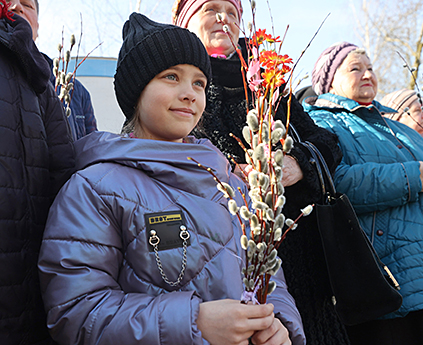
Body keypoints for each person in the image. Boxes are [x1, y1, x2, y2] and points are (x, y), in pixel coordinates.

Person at [38, 14, 305, 345]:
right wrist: (193, 322)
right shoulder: (95, 188)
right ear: (137, 91)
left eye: (199, 83)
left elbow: (267, 275)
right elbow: (76, 313)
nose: (189, 94)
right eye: (171, 77)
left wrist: (278, 322)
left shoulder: (230, 184)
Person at [171, 1, 347, 344]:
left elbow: (327, 141)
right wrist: (225, 172)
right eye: (210, 8)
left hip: (300, 255)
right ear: (183, 21)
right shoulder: (171, 86)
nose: (224, 18)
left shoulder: (267, 81)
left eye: (233, 11)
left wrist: (299, 165)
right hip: (224, 263)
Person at [305, 41, 423, 345]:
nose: (367, 74)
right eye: (355, 68)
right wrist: (418, 177)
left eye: (370, 67)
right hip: (389, 276)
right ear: (329, 80)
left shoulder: (399, 128)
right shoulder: (320, 122)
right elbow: (336, 182)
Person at [0, 1, 75, 344]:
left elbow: (62, 170)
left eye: (27, 2)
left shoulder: (36, 75)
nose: (15, 6)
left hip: (28, 285)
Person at [8, 0, 98, 140]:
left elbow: (92, 151)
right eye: (7, 1)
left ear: (37, 25)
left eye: (27, 5)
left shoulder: (77, 92)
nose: (16, 7)